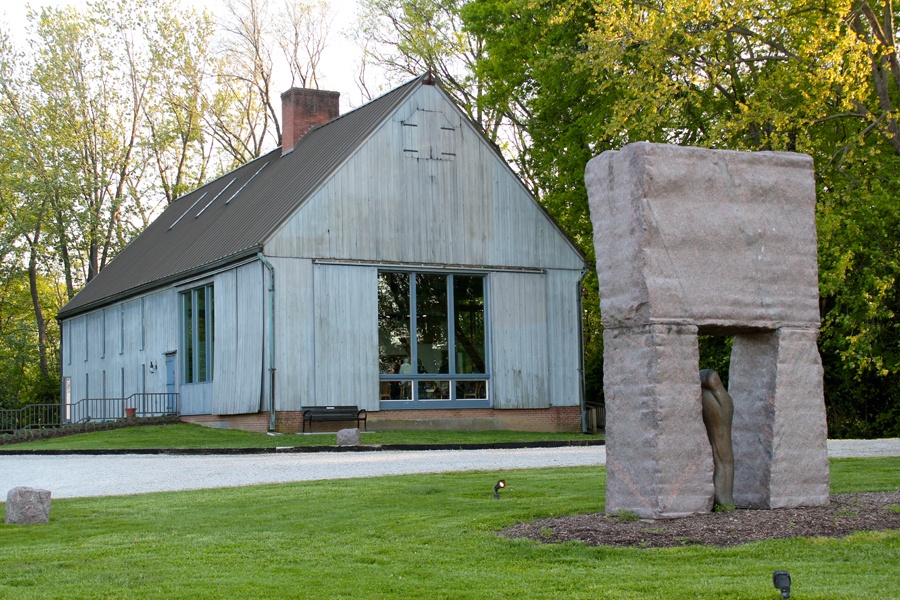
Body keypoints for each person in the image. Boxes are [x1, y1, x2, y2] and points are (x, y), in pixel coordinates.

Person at [700, 369, 735, 509]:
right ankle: (723, 500)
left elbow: (711, 377)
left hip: (720, 422)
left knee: (722, 457)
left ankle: (724, 500)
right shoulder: (709, 394)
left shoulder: (719, 397)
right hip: (716, 420)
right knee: (721, 458)